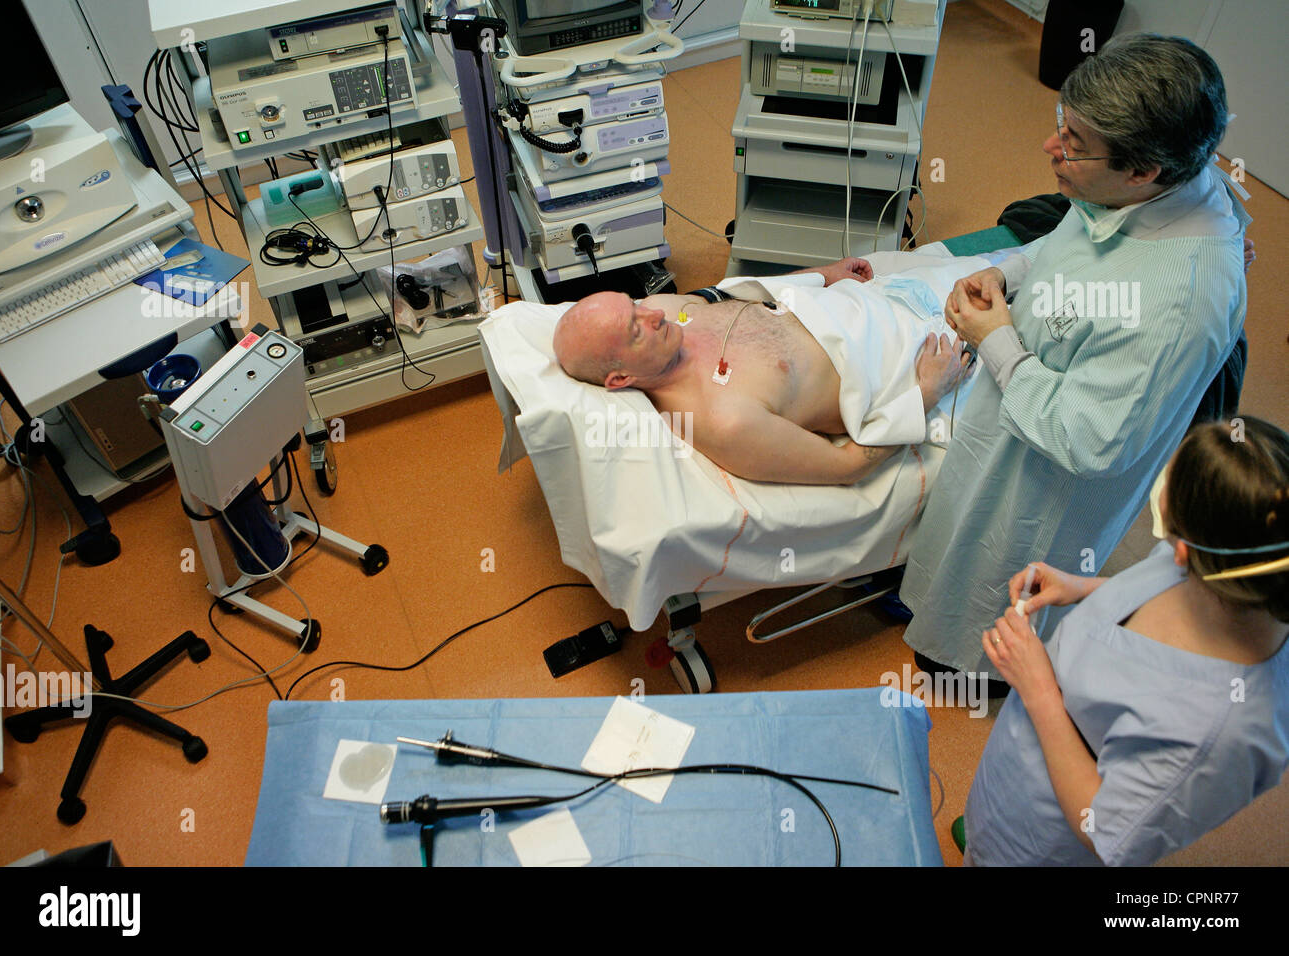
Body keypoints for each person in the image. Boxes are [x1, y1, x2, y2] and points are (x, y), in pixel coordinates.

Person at [899, 34, 1252, 683]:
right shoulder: (1141, 187)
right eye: (1062, 124)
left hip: (1048, 481)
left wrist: (996, 339)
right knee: (954, 540)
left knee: (983, 618)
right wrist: (1006, 275)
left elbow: (1089, 440)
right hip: (1009, 408)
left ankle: (977, 670)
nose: (1051, 148)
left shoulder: (1181, 302)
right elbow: (1073, 238)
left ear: (1144, 170)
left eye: (1075, 143)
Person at [960, 416, 1289, 866]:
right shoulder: (1234, 575)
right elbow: (1157, 585)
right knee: (987, 833)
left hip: (1049, 836)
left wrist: (1038, 690)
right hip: (1019, 769)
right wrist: (1081, 587)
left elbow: (1106, 829)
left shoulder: (1224, 733)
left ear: (1186, 548)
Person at [552, 256, 973, 485]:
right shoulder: (725, 420)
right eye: (635, 328)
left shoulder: (667, 310)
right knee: (1030, 327)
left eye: (634, 304)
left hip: (886, 295)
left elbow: (735, 296)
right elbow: (848, 466)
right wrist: (927, 394)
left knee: (1021, 262)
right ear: (621, 379)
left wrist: (822, 275)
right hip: (927, 356)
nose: (652, 316)